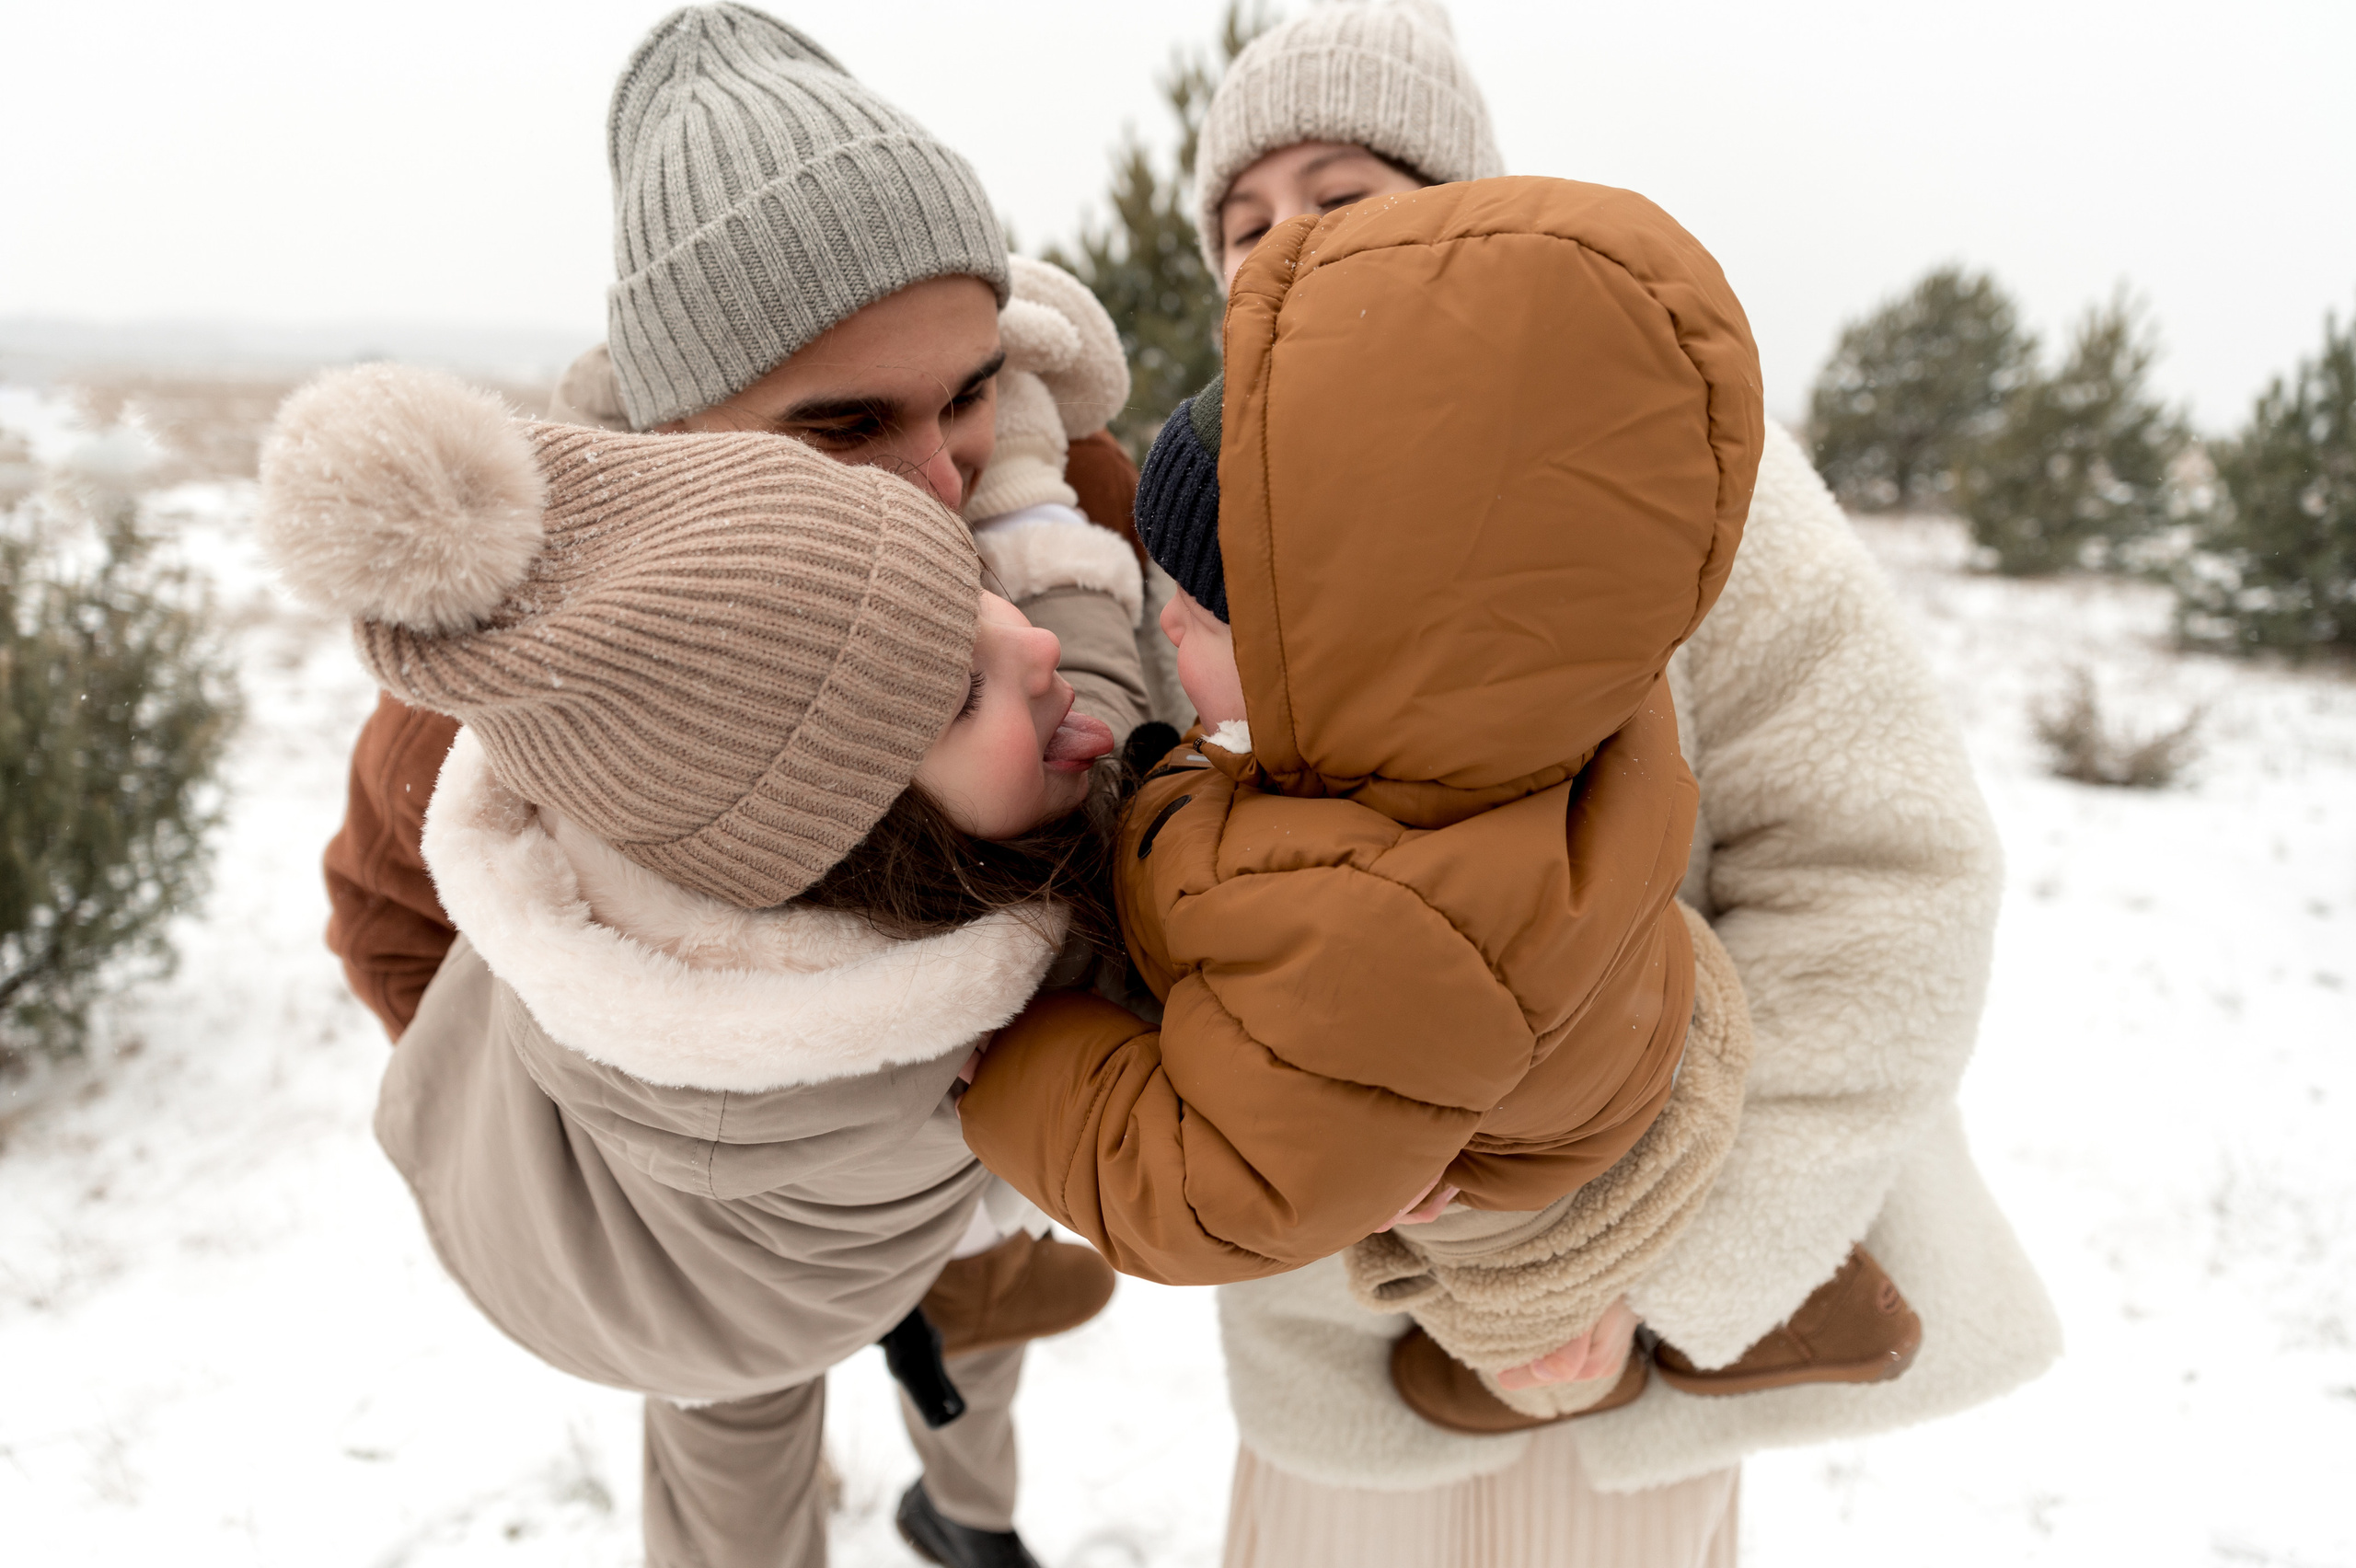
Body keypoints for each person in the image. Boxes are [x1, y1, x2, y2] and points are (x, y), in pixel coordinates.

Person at [1155, 2, 2055, 1562]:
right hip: (1360, 1389)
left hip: (1636, 1390)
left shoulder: (1682, 477)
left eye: (1339, 195)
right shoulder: (1198, 512)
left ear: (1469, 210)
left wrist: (1659, 1276)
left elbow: (1892, 871)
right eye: (1242, 222)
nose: (1280, 246)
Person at [300, 7, 1149, 1565]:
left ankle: (967, 1520)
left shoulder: (1066, 508)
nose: (940, 486)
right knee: (731, 1449)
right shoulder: (553, 672)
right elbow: (387, 915)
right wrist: (635, 1123)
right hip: (706, 1239)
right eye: (841, 428)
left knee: (976, 1356)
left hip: (1001, 1148)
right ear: (674, 425)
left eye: (967, 393)